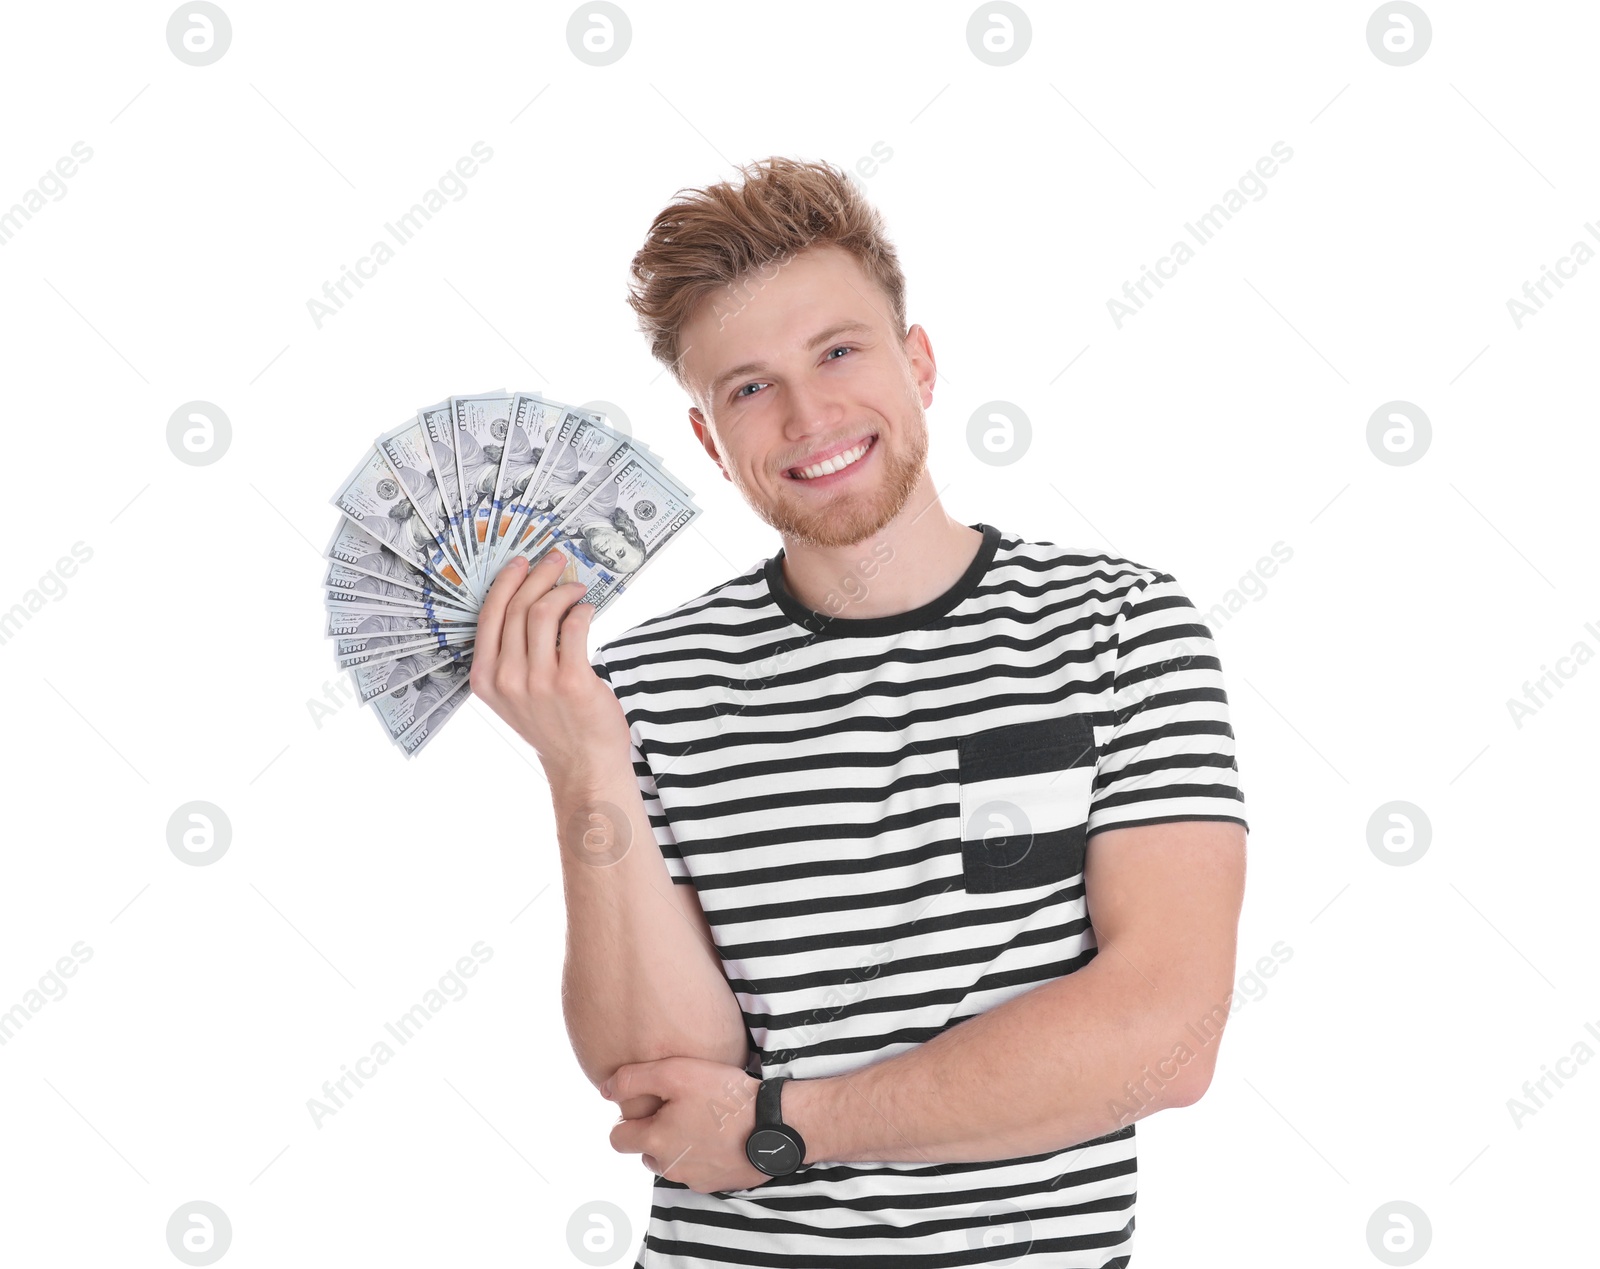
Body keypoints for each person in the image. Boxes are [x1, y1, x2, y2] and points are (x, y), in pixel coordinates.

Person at [470, 157, 1249, 1267]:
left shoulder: (1117, 628)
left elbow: (1163, 1040)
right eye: (747, 387)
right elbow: (660, 1081)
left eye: (838, 351)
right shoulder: (640, 687)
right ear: (708, 441)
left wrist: (786, 1128)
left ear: (918, 363)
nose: (808, 414)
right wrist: (582, 762)